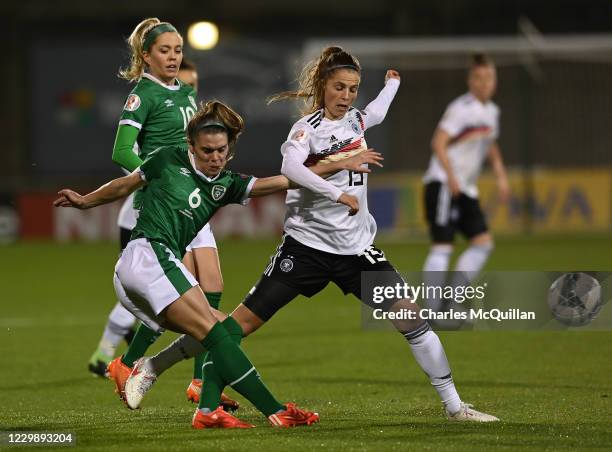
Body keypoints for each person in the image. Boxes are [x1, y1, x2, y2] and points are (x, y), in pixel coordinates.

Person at [123, 46, 499, 423]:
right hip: (305, 249)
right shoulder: (307, 130)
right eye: (339, 88)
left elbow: (377, 113)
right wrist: (340, 184)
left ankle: (455, 407)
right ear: (323, 86)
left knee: (414, 320)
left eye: (353, 89)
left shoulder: (356, 121)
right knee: (237, 327)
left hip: (356, 252)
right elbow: (291, 168)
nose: (346, 97)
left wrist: (391, 86)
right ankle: (155, 366)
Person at [55, 100, 380, 428]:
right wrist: (85, 201)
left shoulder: (227, 184)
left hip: (150, 267)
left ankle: (184, 395)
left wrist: (340, 167)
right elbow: (124, 185)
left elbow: (285, 181)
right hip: (147, 256)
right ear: (191, 147)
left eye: (220, 151)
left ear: (230, 149)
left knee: (222, 328)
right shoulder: (166, 159)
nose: (214, 158)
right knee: (217, 335)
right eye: (207, 150)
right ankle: (274, 410)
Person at [82, 17, 231, 408]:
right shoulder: (141, 96)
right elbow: (121, 151)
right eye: (164, 50)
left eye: (177, 50)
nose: (172, 56)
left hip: (191, 198)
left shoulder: (184, 92)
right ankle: (137, 365)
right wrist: (151, 177)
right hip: (165, 204)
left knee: (212, 288)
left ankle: (193, 380)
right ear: (146, 56)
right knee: (182, 300)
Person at [88, 58, 205, 378]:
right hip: (144, 214)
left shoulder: (188, 119)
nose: (190, 91)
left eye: (194, 85)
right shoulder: (155, 117)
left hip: (173, 210)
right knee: (158, 289)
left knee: (183, 288)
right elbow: (131, 161)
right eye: (186, 83)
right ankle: (118, 357)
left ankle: (110, 355)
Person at [422, 53, 509, 318]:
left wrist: (501, 175)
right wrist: (451, 177)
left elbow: (489, 144)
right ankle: (431, 310)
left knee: (483, 243)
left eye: (489, 78)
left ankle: (451, 302)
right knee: (442, 245)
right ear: (470, 81)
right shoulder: (461, 108)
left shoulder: (492, 112)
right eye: (479, 78)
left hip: (466, 189)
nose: (484, 83)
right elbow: (438, 142)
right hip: (444, 184)